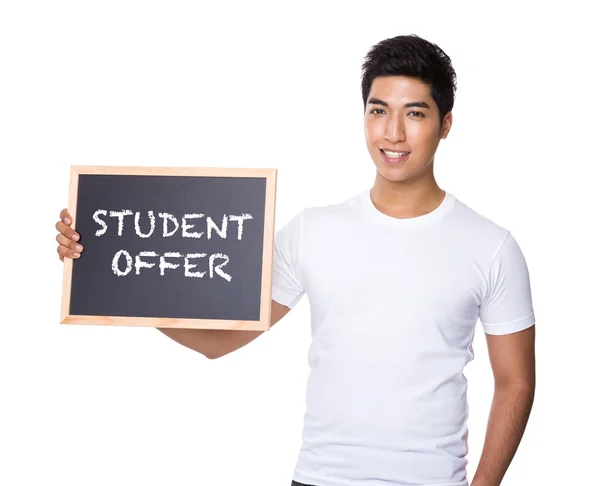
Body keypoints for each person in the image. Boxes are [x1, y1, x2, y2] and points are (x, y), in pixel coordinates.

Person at [55, 34, 536, 486]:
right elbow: (218, 342)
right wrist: (112, 275)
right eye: (378, 110)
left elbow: (515, 382)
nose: (392, 132)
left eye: (415, 113)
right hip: (319, 476)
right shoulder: (313, 230)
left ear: (445, 124)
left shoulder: (490, 245)